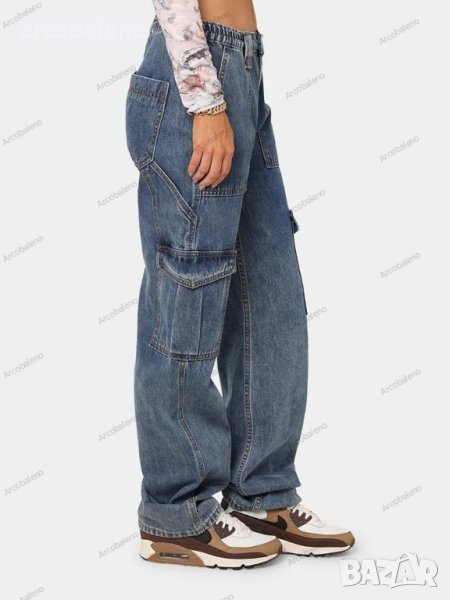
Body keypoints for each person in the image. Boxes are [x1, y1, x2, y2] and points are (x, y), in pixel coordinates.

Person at [125, 0, 355, 569]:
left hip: (242, 71)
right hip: (195, 80)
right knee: (188, 298)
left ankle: (262, 493)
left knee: (271, 295)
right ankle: (175, 512)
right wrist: (206, 99)